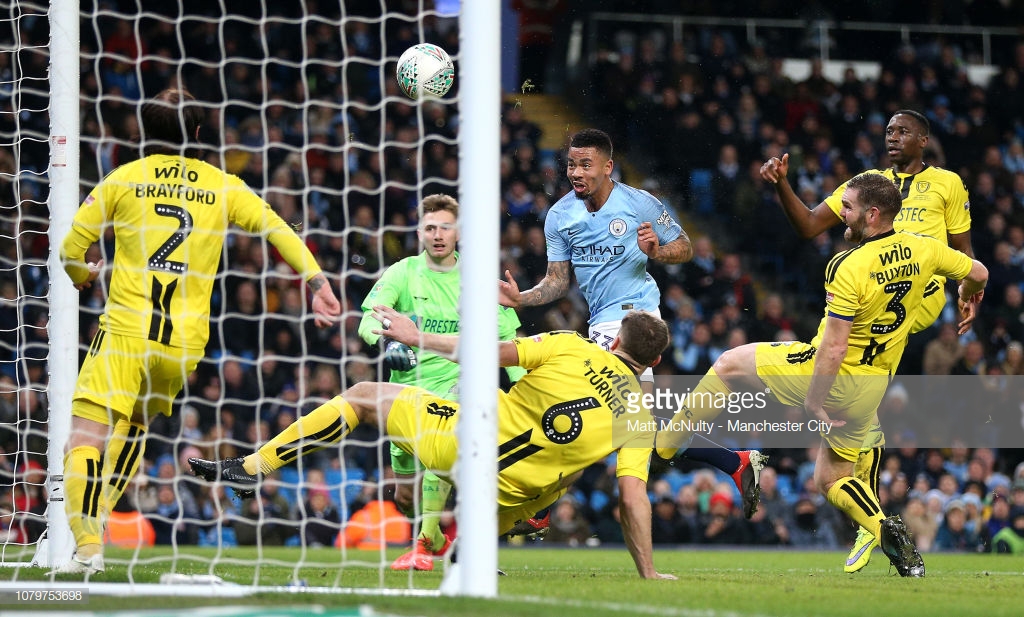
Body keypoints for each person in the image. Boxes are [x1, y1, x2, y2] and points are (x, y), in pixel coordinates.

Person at [57, 88, 341, 574]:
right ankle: (100, 522)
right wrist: (316, 281)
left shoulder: (124, 179)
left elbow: (69, 250)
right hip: (183, 345)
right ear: (199, 133)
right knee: (135, 426)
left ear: (144, 133)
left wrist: (84, 277)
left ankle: (86, 545)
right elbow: (277, 227)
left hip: (126, 329)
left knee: (84, 440)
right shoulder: (221, 185)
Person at [657, 173, 988, 577]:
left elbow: (833, 348)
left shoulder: (847, 265)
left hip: (833, 373)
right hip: (872, 384)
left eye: (846, 207)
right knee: (831, 479)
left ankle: (670, 444)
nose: (840, 213)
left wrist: (813, 402)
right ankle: (886, 530)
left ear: (873, 213)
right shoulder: (926, 249)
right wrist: (967, 296)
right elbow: (980, 272)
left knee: (727, 365)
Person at [191, 310, 677, 579]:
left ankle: (254, 467)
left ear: (613, 343)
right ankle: (484, 541)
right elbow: (631, 499)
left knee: (362, 398)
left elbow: (483, 351)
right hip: (505, 494)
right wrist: (649, 573)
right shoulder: (641, 418)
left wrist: (415, 335)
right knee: (568, 470)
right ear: (653, 360)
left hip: (460, 445)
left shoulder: (573, 345)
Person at [499, 128, 767, 518]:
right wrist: (523, 298)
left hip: (633, 318)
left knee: (603, 417)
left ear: (608, 167)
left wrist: (657, 249)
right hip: (599, 322)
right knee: (636, 426)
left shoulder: (639, 203)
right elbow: (558, 280)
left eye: (585, 164)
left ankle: (540, 504)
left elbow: (685, 247)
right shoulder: (559, 215)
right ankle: (735, 461)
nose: (576, 172)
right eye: (571, 164)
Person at [760, 109, 976, 572]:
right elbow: (810, 225)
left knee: (853, 370)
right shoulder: (868, 184)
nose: (892, 137)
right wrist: (782, 184)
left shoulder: (948, 183)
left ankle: (868, 519)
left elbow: (964, 249)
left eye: (903, 132)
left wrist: (965, 290)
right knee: (861, 385)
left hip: (917, 291)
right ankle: (869, 512)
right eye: (888, 131)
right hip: (874, 289)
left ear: (924, 139)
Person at [355, 194, 526, 571]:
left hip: (457, 389)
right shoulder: (402, 273)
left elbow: (510, 342)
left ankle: (425, 546)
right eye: (430, 227)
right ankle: (432, 534)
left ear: (459, 232)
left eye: (445, 227)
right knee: (404, 496)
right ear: (420, 232)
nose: (437, 235)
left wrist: (525, 387)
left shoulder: (478, 280)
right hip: (408, 393)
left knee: (448, 442)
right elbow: (368, 319)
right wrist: (383, 340)